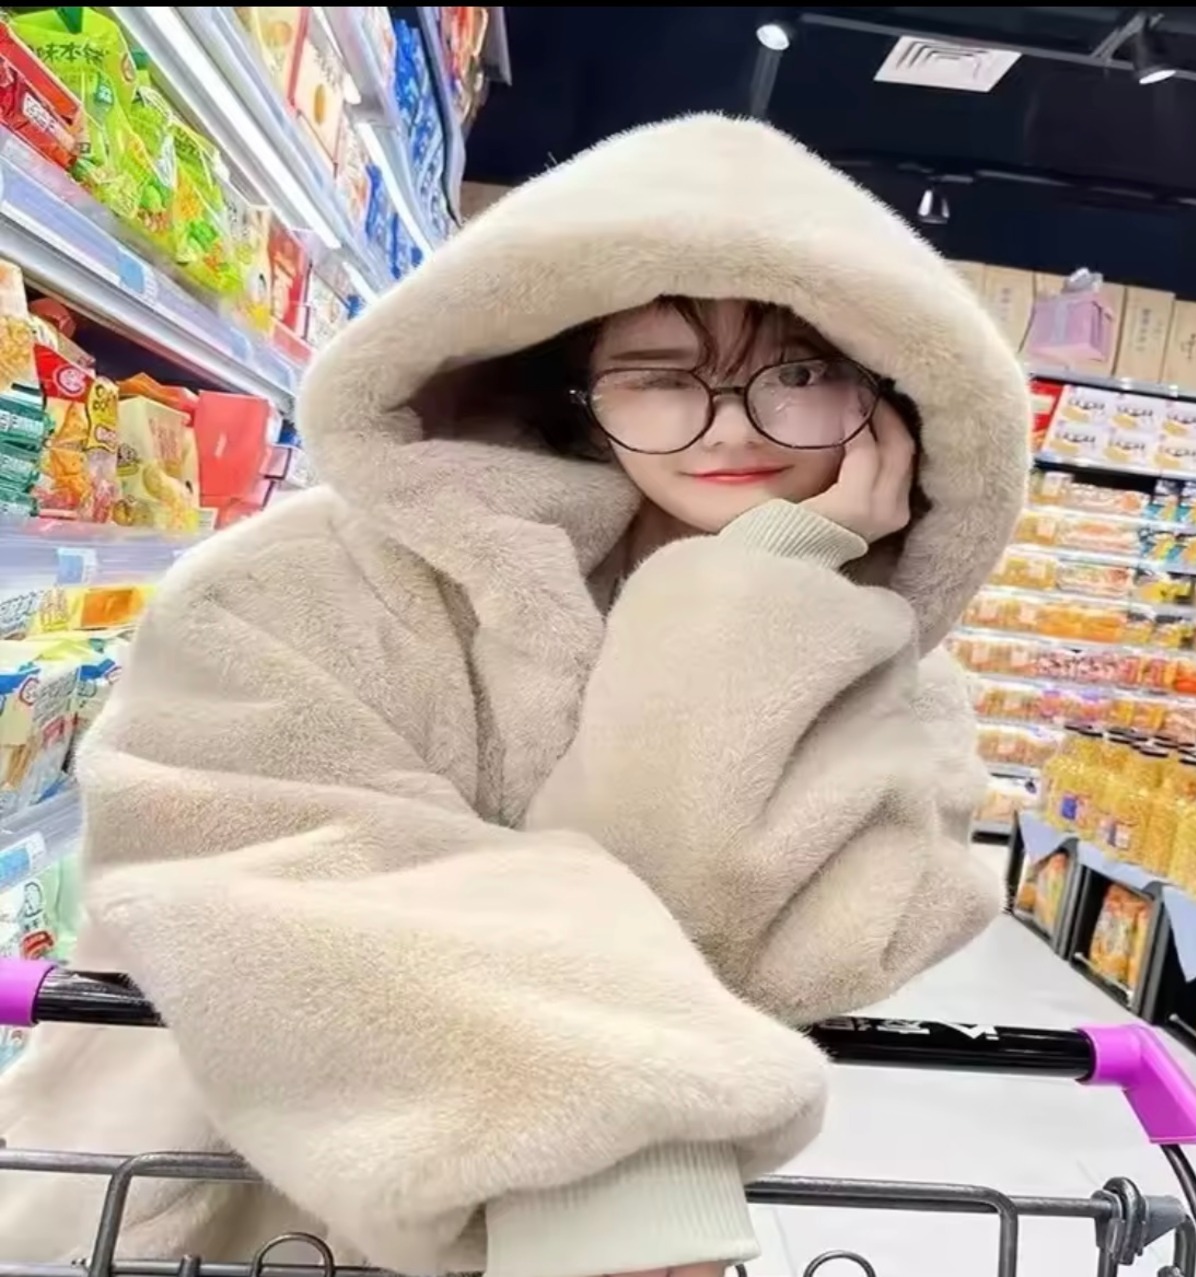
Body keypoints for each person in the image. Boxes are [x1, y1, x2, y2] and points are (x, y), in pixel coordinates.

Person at [0, 115, 1029, 1275]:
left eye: (796, 374)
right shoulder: (301, 580)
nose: (731, 425)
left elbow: (821, 941)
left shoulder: (894, 679)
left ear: (886, 394)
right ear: (573, 382)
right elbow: (265, 859)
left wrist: (761, 594)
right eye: (660, 377)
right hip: (216, 1211)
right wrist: (614, 1149)